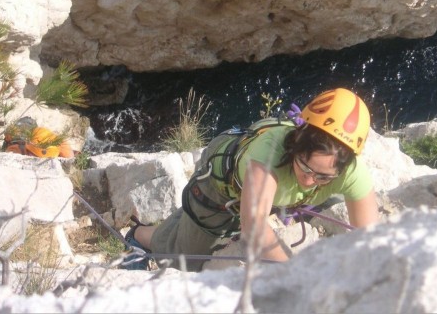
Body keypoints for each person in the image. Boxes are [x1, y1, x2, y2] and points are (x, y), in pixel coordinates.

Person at [124, 87, 379, 271]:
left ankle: (191, 219)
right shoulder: (268, 155)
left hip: (252, 190)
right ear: (296, 141)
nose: (310, 181)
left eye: (324, 177)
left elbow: (369, 236)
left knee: (199, 223)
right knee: (182, 258)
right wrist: (299, 280)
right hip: (221, 187)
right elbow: (254, 231)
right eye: (305, 167)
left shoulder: (350, 171)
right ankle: (139, 234)